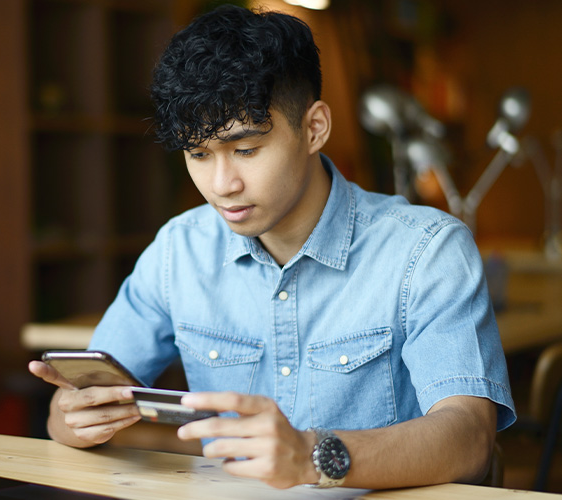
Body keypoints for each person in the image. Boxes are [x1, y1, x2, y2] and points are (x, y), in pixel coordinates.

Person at [28, 4, 515, 490]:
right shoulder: (179, 250)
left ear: (314, 128)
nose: (222, 184)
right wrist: (73, 418)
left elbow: (469, 438)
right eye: (198, 154)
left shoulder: (426, 251)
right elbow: (68, 411)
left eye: (246, 149)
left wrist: (311, 457)